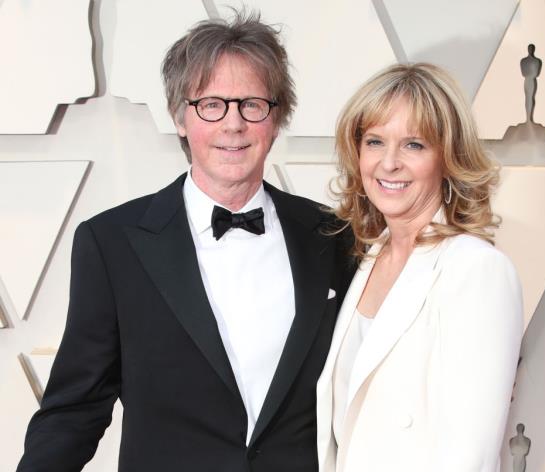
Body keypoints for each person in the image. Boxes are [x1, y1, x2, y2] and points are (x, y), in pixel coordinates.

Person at [18, 11, 354, 472]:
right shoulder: (111, 243)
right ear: (180, 117)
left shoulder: (332, 236)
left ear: (276, 119)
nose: (232, 124)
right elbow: (76, 408)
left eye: (252, 104)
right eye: (211, 104)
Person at [316, 63, 523, 472]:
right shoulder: (367, 260)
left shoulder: (476, 270)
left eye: (414, 145)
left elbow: (471, 456)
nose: (389, 163)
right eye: (375, 141)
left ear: (448, 157)